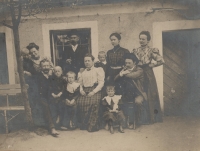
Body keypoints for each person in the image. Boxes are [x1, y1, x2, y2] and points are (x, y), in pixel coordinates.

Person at [131, 31, 164, 123]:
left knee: (150, 93)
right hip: (138, 72)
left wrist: (152, 65)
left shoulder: (151, 50)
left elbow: (161, 61)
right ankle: (140, 119)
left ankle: (152, 118)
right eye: (140, 39)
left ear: (148, 40)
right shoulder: (135, 50)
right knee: (139, 92)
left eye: (143, 39)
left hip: (148, 73)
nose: (141, 41)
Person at [115, 53, 147, 129]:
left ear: (134, 62)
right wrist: (121, 73)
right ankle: (124, 120)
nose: (127, 64)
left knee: (138, 102)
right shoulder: (125, 70)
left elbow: (132, 76)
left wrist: (122, 73)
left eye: (129, 63)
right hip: (127, 93)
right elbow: (115, 78)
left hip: (138, 93)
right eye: (126, 63)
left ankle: (137, 120)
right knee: (119, 102)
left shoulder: (139, 70)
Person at [77, 53, 105, 132]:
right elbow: (80, 83)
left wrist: (93, 91)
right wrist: (81, 90)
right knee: (80, 102)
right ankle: (84, 124)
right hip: (85, 90)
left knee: (93, 102)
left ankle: (92, 125)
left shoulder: (98, 70)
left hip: (95, 89)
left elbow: (101, 83)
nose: (87, 62)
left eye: (89, 61)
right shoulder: (82, 72)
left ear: (93, 61)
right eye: (85, 61)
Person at [37, 58, 59, 136]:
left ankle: (57, 125)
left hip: (50, 96)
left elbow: (55, 85)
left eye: (47, 65)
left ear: (50, 66)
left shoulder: (51, 77)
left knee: (56, 103)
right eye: (44, 66)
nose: (46, 67)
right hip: (41, 97)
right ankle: (52, 128)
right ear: (41, 67)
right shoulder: (38, 76)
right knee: (46, 105)